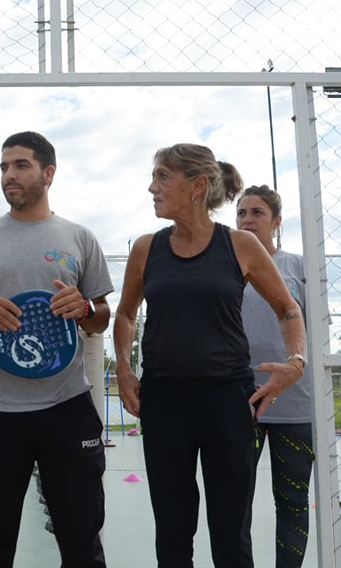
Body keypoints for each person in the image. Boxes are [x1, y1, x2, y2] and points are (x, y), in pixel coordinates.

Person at [112, 144, 306, 567]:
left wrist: (296, 363)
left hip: (227, 403)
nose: (152, 187)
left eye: (163, 177)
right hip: (163, 403)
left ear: (198, 185)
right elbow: (125, 315)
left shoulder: (240, 246)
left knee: (231, 534)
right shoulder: (147, 248)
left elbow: (289, 309)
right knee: (173, 531)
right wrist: (124, 371)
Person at [0, 131, 113, 567]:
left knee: (81, 541)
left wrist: (84, 305)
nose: (8, 175)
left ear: (48, 173)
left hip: (67, 406)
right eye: (3, 167)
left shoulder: (80, 237)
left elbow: (102, 316)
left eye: (20, 165)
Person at [236, 184, 312, 568]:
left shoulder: (299, 268)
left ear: (277, 221)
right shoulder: (228, 269)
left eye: (257, 213)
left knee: (293, 501)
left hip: (295, 407)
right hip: (240, 406)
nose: (247, 220)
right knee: (235, 504)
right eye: (242, 213)